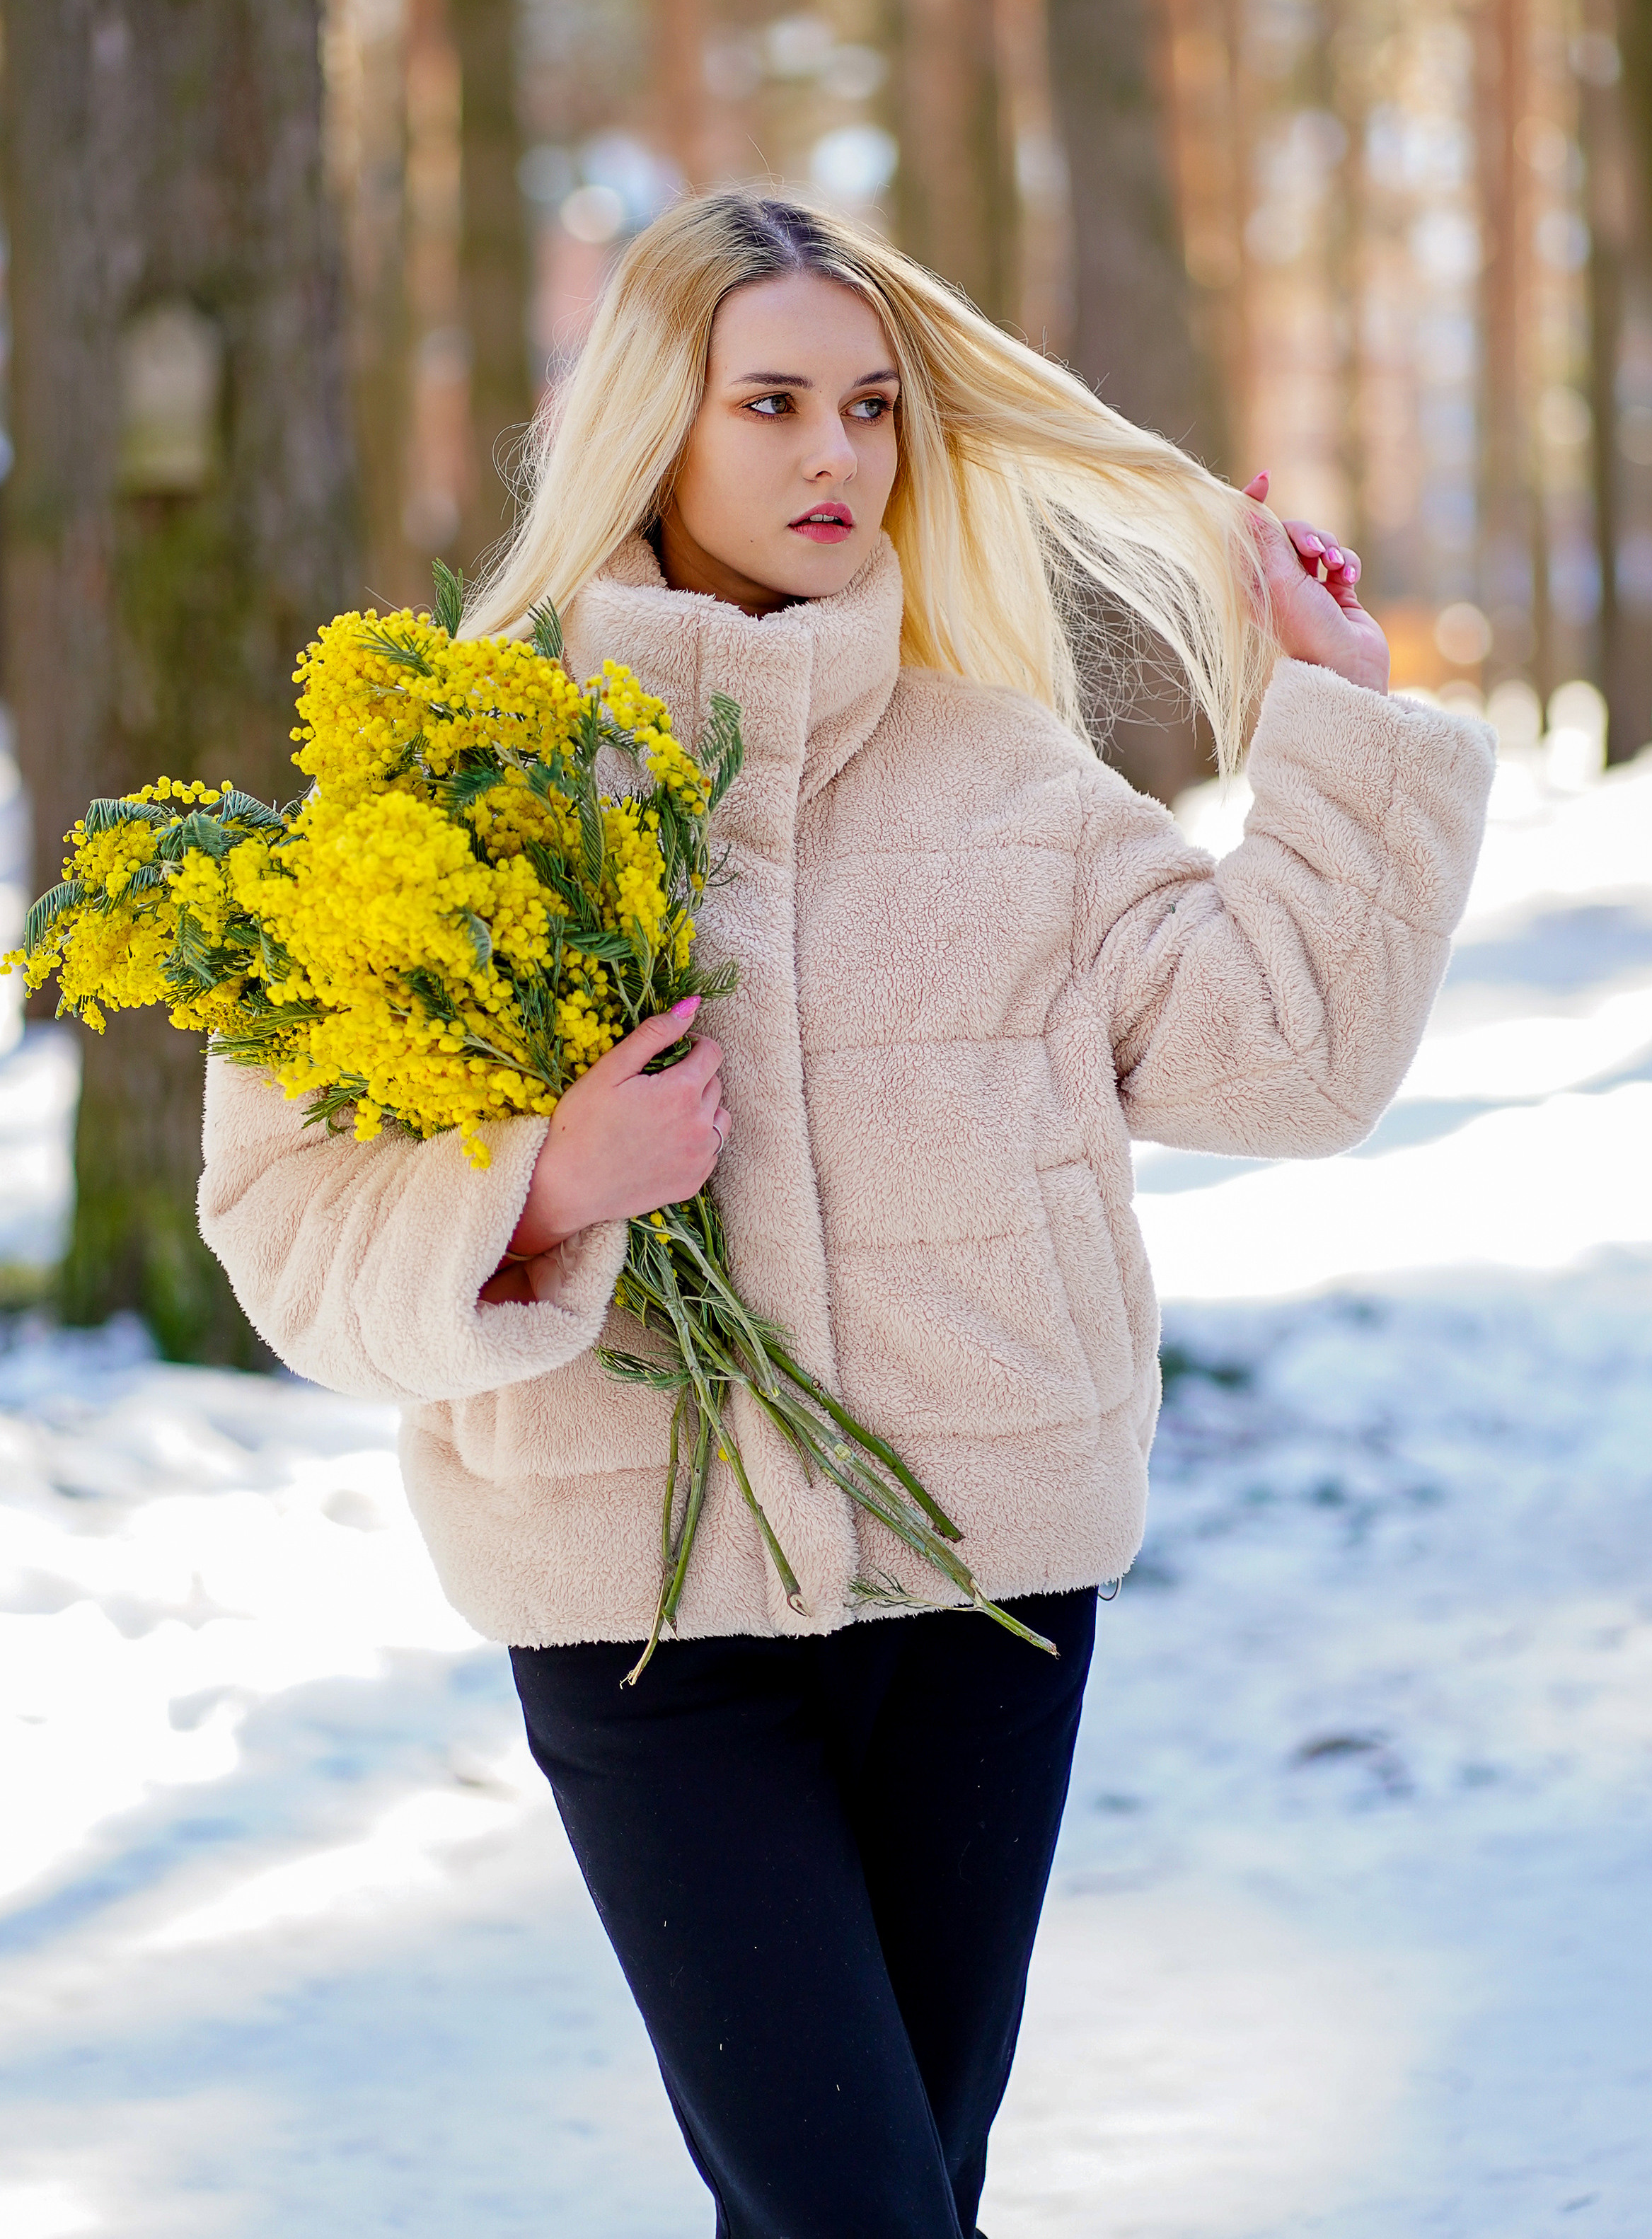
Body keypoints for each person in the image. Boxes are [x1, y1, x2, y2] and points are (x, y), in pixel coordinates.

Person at [200, 190, 1494, 2239]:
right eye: (774, 401)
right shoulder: (462, 784)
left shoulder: (1011, 776)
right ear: (656, 427)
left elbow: (1289, 1063)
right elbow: (289, 1227)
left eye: (873, 406)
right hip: (641, 1619)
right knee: (863, 2215)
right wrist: (545, 1184)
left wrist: (1335, 706)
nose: (835, 454)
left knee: (891, 2202)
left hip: (987, 1597)